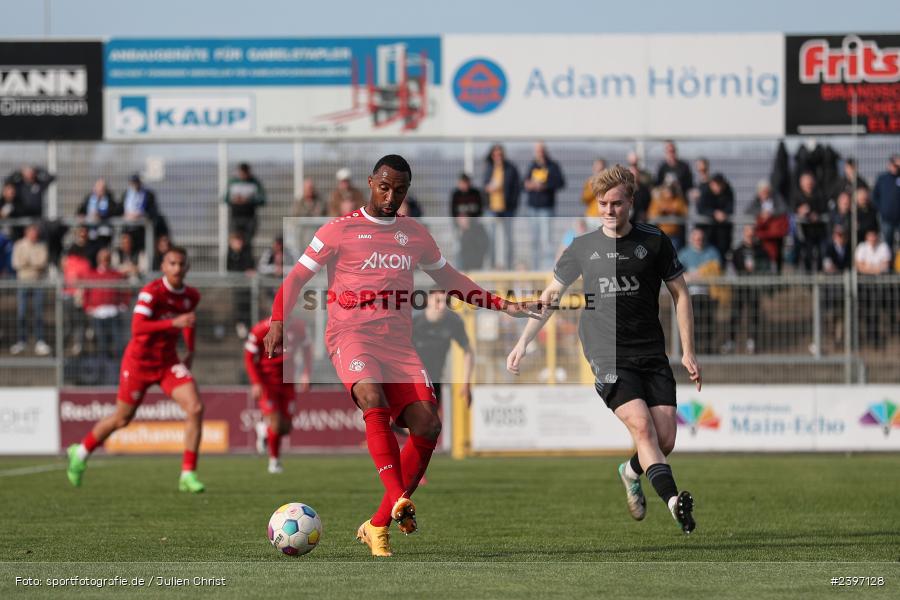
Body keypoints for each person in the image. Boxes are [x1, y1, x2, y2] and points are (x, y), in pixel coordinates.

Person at [263, 154, 538, 557]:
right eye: (385, 187)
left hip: (398, 344)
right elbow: (296, 277)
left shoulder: (415, 234)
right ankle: (397, 499)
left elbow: (451, 280)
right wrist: (276, 321)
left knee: (428, 425)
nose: (391, 196)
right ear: (371, 182)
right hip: (351, 334)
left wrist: (504, 305)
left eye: (401, 190)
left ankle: (377, 525)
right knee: (371, 396)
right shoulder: (337, 230)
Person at [507, 164, 699, 534]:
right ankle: (675, 503)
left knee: (665, 439)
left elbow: (680, 293)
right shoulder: (582, 248)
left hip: (651, 352)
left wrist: (688, 351)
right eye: (602, 204)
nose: (608, 211)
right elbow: (550, 298)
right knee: (642, 429)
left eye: (616, 204)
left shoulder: (655, 241)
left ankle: (629, 473)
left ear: (631, 202)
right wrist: (523, 341)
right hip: (606, 353)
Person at [66, 246, 205, 493]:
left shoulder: (191, 296)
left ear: (187, 267)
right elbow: (138, 328)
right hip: (139, 363)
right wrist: (174, 322)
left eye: (181, 264)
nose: (176, 268)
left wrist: (191, 351)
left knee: (195, 407)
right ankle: (82, 451)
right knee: (122, 419)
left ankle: (187, 473)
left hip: (167, 362)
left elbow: (189, 323)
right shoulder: (151, 292)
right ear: (163, 266)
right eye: (171, 263)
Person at [245, 317, 312, 474]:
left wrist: (306, 374)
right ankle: (274, 462)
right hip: (267, 382)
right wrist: (256, 382)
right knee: (275, 423)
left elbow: (307, 349)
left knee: (285, 428)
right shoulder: (260, 330)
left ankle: (263, 429)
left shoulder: (298, 327)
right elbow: (248, 357)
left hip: (288, 382)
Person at [412, 289, 474, 404]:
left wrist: (466, 383)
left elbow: (468, 351)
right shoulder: (413, 322)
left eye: (446, 302)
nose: (442, 306)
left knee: (430, 420)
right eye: (438, 301)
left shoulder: (453, 322)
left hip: (435, 381)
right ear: (428, 300)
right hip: (410, 380)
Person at [82, 247, 129, 383]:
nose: (104, 261)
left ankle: (120, 374)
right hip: (98, 315)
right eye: (102, 258)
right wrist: (88, 307)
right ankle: (102, 375)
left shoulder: (116, 275)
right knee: (101, 345)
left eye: (107, 258)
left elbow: (125, 290)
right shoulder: (92, 275)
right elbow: (86, 293)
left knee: (118, 345)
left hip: (113, 313)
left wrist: (123, 304)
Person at [726, 225, 770, 355]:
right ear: (744, 233)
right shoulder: (738, 250)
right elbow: (734, 266)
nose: (750, 235)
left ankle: (752, 342)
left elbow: (765, 265)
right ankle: (731, 341)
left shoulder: (760, 250)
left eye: (752, 232)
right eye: (747, 233)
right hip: (740, 286)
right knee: (735, 313)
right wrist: (744, 269)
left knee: (754, 314)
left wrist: (756, 270)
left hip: (754, 286)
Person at [678, 228, 722, 355]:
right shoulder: (684, 253)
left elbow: (717, 270)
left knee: (709, 321)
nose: (699, 241)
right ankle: (691, 349)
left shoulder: (712, 252)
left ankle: (708, 349)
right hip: (691, 294)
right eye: (696, 239)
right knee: (691, 322)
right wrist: (691, 276)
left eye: (701, 238)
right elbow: (677, 272)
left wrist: (702, 274)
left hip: (709, 293)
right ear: (691, 239)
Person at [523, 142, 565, 270]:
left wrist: (544, 185)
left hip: (546, 208)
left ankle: (547, 268)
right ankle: (535, 269)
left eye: (541, 150)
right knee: (534, 240)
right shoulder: (532, 165)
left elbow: (561, 182)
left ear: (545, 151)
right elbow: (524, 182)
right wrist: (529, 185)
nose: (539, 153)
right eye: (537, 150)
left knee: (547, 240)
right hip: (532, 208)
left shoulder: (553, 165)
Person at [11, 224, 50, 356]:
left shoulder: (41, 245)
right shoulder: (19, 245)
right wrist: (32, 263)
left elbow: (42, 262)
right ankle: (22, 341)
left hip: (38, 282)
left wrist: (28, 262)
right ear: (27, 233)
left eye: (36, 232)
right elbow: (16, 263)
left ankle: (40, 341)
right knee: (21, 312)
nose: (35, 235)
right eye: (32, 232)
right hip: (23, 281)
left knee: (38, 312)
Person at [482, 144, 520, 269]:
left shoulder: (510, 168)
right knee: (491, 239)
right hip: (492, 209)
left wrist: (513, 205)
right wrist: (490, 188)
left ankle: (509, 265)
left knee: (508, 240)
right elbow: (484, 186)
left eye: (500, 154)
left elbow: (516, 188)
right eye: (495, 154)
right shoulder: (489, 168)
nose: (498, 157)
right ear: (492, 155)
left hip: (507, 209)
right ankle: (493, 265)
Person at [855, 228, 891, 348]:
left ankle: (875, 337)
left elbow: (885, 266)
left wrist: (869, 268)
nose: (872, 238)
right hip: (865, 286)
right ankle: (866, 337)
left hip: (879, 286)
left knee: (876, 311)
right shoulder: (862, 247)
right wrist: (875, 269)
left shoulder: (883, 246)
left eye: (874, 235)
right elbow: (859, 266)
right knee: (865, 311)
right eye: (870, 235)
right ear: (867, 237)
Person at [746, 180, 789, 273]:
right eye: (762, 192)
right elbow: (748, 211)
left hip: (776, 235)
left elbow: (784, 209)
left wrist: (771, 214)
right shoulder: (756, 201)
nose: (764, 194)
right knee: (763, 257)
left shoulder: (776, 198)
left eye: (766, 191)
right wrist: (761, 214)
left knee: (778, 257)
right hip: (763, 236)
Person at [790, 171, 828, 272]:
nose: (808, 185)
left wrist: (817, 216)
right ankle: (809, 278)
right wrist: (800, 212)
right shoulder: (796, 196)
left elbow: (824, 210)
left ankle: (819, 275)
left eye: (810, 182)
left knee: (821, 254)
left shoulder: (819, 195)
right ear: (801, 184)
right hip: (804, 233)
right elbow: (792, 211)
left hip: (818, 231)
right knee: (807, 254)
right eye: (806, 183)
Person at [224, 163, 267, 246]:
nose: (243, 175)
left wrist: (249, 200)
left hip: (249, 217)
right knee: (235, 242)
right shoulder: (233, 182)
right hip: (235, 216)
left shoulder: (254, 183)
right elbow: (225, 198)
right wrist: (234, 200)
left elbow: (263, 199)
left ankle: (246, 258)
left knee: (247, 242)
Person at [122, 174, 165, 253]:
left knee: (143, 250)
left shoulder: (148, 194)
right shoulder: (126, 194)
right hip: (129, 228)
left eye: (136, 182)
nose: (134, 184)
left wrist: (141, 214)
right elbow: (120, 209)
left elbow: (153, 210)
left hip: (143, 229)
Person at [697, 173, 734, 265]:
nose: (718, 188)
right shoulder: (705, 191)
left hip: (723, 232)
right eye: (716, 185)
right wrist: (714, 213)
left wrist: (724, 214)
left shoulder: (728, 191)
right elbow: (701, 208)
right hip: (708, 231)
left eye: (720, 185)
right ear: (711, 184)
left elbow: (730, 208)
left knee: (722, 255)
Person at [226, 231, 256, 339]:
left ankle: (249, 326)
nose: (238, 243)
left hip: (247, 285)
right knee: (239, 304)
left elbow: (251, 267)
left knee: (249, 304)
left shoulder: (246, 253)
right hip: (238, 285)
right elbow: (230, 269)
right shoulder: (230, 255)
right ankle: (240, 324)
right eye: (236, 241)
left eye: (240, 241)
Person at [77, 178, 122, 248]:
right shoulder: (89, 199)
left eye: (102, 189)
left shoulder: (109, 200)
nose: (99, 191)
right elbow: (81, 210)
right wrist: (82, 216)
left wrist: (101, 216)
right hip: (90, 233)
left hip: (104, 233)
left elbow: (115, 211)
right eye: (98, 188)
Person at [647, 180, 688, 249]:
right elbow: (651, 214)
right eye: (666, 188)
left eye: (670, 188)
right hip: (661, 234)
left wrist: (676, 211)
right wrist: (660, 210)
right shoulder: (658, 200)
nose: (668, 190)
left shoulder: (678, 199)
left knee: (674, 255)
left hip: (675, 234)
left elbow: (685, 212)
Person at [872, 155, 900, 254]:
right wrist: (881, 209)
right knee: (887, 245)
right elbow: (874, 196)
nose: (896, 168)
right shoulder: (882, 179)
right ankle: (888, 266)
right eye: (894, 165)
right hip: (886, 219)